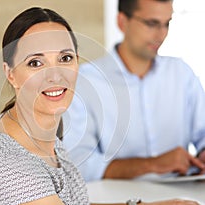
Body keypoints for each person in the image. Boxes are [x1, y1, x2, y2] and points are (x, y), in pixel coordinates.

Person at [0, 6, 200, 205]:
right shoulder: (9, 167)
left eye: (65, 58)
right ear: (11, 74)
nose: (55, 76)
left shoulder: (44, 138)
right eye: (35, 63)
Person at [63, 0, 205, 182]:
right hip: (120, 201)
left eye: (166, 23)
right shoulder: (86, 82)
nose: (161, 34)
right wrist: (153, 164)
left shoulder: (182, 74)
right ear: (122, 22)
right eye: (151, 23)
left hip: (183, 196)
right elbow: (78, 162)